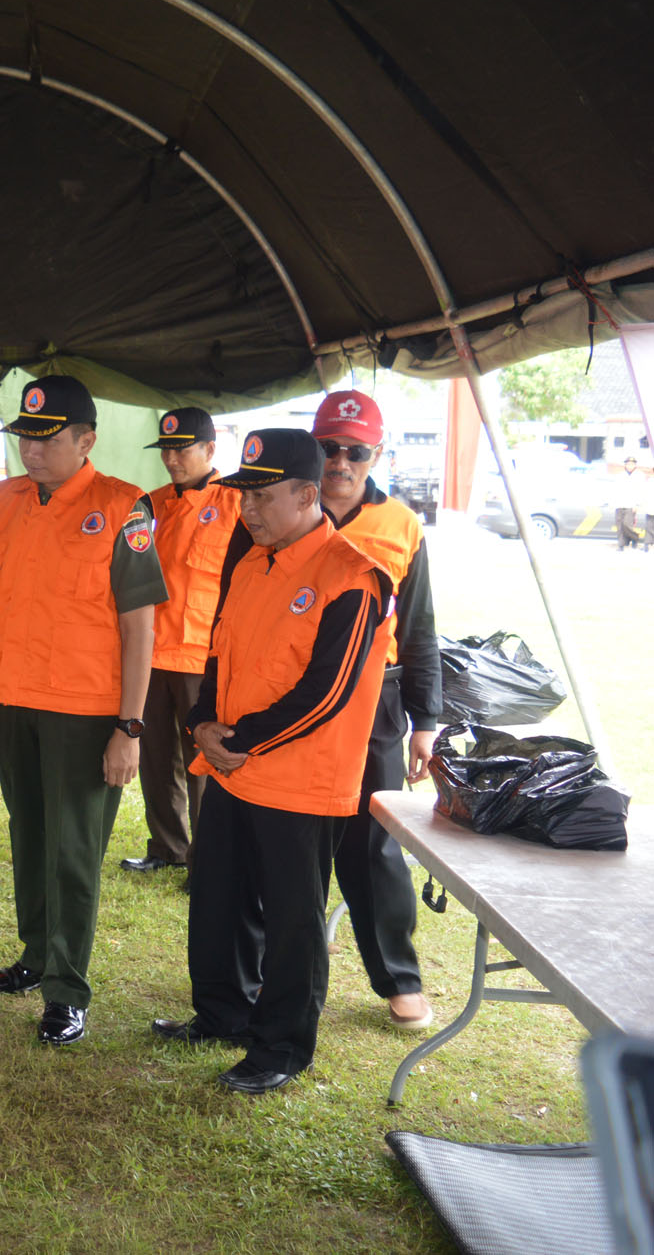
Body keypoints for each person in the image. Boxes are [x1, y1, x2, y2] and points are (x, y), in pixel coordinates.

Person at [152, 429, 394, 1094]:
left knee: (292, 918)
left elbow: (329, 690)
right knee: (218, 896)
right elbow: (217, 651)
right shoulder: (252, 561)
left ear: (307, 494)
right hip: (233, 764)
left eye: (260, 495)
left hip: (298, 777)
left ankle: (281, 1046)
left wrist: (240, 737)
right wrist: (202, 720)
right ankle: (222, 1013)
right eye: (242, 494)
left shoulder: (351, 574)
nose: (247, 508)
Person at [0, 375, 165, 1045]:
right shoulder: (3, 499)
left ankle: (67, 987)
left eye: (47, 438)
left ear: (86, 440)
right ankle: (35, 956)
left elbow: (141, 627)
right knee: (30, 839)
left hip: (85, 711)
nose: (31, 449)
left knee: (74, 851)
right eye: (24, 436)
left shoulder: (123, 506)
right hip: (15, 699)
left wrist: (129, 726)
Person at [308, 390, 442, 1031]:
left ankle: (399, 977)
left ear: (376, 454)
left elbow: (419, 631)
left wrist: (427, 722)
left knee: (375, 845)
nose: (339, 461)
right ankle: (290, 975)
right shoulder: (278, 507)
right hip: (291, 696)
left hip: (376, 698)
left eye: (354, 451)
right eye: (328, 447)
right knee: (291, 840)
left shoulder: (402, 525)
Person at [124, 407, 243, 876]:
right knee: (156, 760)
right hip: (150, 654)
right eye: (166, 450)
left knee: (203, 763)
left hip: (202, 657)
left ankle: (208, 859)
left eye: (182, 449)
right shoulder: (149, 505)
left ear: (210, 450)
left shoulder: (236, 503)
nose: (172, 459)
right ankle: (167, 847)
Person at [615, 456, 646, 551]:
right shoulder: (620, 475)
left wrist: (637, 504)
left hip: (631, 504)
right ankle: (621, 545)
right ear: (625, 465)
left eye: (632, 464)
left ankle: (635, 538)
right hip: (619, 503)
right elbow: (615, 490)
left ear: (635, 465)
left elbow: (641, 491)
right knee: (619, 525)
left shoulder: (639, 476)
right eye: (628, 464)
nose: (630, 466)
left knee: (627, 525)